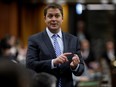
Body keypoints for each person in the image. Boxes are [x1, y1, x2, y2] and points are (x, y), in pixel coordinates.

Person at [26, 3, 84, 87]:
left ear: (62, 18)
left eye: (57, 16)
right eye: (50, 16)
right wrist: (53, 62)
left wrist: (75, 66)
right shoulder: (34, 39)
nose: (54, 19)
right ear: (45, 18)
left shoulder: (73, 40)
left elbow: (81, 69)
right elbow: (30, 65)